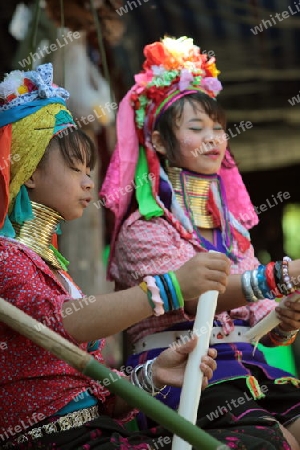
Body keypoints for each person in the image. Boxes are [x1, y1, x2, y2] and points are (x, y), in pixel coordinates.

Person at [0, 63, 230, 450]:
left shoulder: (55, 272)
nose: (89, 180)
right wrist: (170, 288)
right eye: (75, 168)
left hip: (95, 433)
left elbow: (95, 391)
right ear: (30, 172)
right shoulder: (5, 257)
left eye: (90, 169)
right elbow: (63, 323)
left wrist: (153, 375)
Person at [101, 36, 300, 450]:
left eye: (218, 128)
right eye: (197, 128)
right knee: (273, 440)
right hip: (179, 373)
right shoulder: (145, 229)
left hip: (247, 367)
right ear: (158, 142)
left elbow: (262, 321)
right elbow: (194, 299)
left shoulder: (233, 231)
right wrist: (279, 275)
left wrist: (284, 318)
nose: (213, 138)